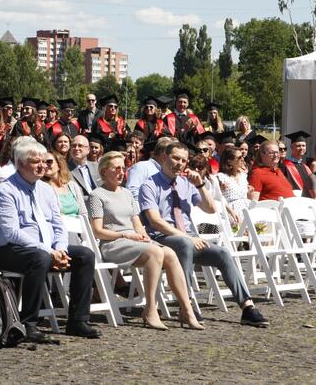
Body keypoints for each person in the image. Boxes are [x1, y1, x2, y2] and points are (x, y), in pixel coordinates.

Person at [139, 142, 269, 327]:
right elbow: (155, 221)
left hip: (191, 238)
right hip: (162, 239)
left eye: (183, 160)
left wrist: (200, 184)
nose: (179, 163)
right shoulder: (150, 184)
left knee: (223, 253)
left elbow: (210, 209)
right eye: (175, 158)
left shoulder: (186, 182)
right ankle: (188, 305)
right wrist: (188, 237)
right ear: (165, 158)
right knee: (184, 245)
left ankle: (247, 307)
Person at [0, 139, 102, 340]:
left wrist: (61, 249)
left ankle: (78, 320)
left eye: (44, 161)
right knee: (39, 258)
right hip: (10, 249)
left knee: (85, 255)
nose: (42, 165)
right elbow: (12, 233)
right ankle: (29, 323)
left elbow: (58, 224)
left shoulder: (46, 189)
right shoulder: (5, 191)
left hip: (47, 247)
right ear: (21, 163)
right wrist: (49, 252)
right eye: (36, 162)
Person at [90, 151, 203, 330]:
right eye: (116, 168)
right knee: (156, 252)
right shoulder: (97, 195)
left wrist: (145, 238)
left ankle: (186, 309)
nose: (121, 172)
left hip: (135, 241)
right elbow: (97, 231)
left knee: (169, 253)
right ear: (104, 172)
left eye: (123, 168)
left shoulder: (127, 193)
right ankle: (150, 309)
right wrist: (125, 235)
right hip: (113, 243)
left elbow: (137, 223)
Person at [42, 151, 87, 218]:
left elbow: (83, 212)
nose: (45, 165)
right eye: (42, 162)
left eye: (49, 161)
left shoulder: (72, 185)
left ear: (59, 165)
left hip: (80, 225)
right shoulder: (43, 188)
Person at [216, 148, 251, 225]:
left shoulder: (243, 176)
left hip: (246, 209)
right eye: (239, 157)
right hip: (231, 212)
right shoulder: (221, 177)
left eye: (242, 156)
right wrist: (220, 189)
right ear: (229, 162)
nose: (242, 159)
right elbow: (217, 198)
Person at [68, 135, 102, 206]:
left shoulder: (97, 167)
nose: (76, 148)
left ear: (88, 150)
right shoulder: (65, 170)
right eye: (73, 146)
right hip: (82, 208)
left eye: (80, 146)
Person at [281, 130, 316, 197]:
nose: (301, 148)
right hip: (292, 199)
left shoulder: (306, 167)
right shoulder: (284, 165)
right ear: (291, 147)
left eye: (303, 145)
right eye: (298, 146)